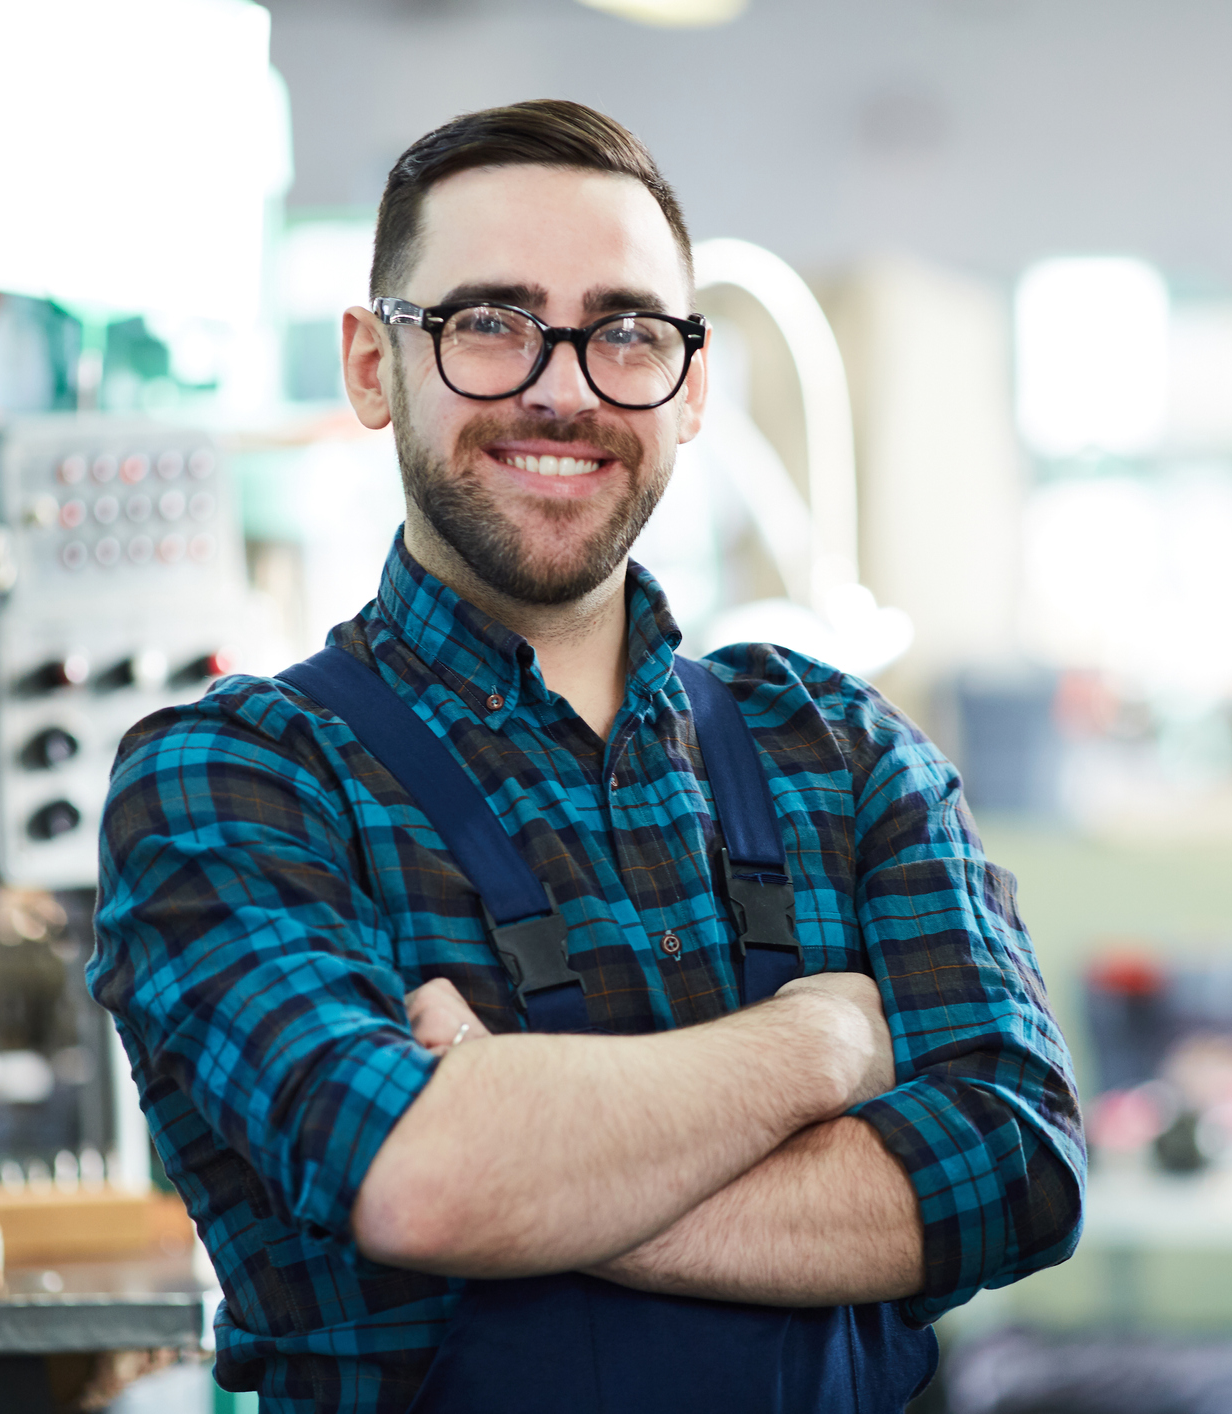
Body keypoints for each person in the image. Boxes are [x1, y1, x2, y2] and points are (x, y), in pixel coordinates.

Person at [91, 98, 1083, 1414]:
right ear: (371, 365)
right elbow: (418, 1175)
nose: (561, 385)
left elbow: (1014, 1164)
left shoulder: (842, 756)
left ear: (689, 386)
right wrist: (822, 1046)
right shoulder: (236, 779)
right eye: (489, 322)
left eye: (623, 331)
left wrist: (531, 1168)